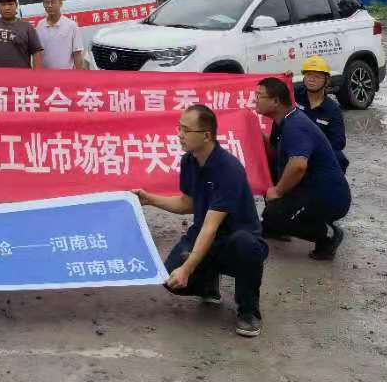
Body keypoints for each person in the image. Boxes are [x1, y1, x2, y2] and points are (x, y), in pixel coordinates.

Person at [135, 103, 268, 338]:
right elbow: (187, 203)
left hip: (235, 238)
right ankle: (208, 282)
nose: (180, 134)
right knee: (170, 278)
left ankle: (249, 310)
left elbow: (210, 226)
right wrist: (150, 200)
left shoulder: (228, 169)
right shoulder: (189, 161)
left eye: (186, 130)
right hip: (206, 234)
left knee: (245, 246)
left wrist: (187, 269)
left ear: (206, 135)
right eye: (179, 128)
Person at [256, 76, 352, 261]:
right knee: (271, 217)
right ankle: (278, 225)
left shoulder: (295, 125)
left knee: (275, 215)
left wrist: (278, 191)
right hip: (309, 188)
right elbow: (275, 154)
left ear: (275, 101)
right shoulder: (284, 121)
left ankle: (327, 234)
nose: (255, 100)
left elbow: (298, 165)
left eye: (259, 96)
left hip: (328, 196)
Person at [296, 55, 348, 171]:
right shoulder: (294, 95)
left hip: (317, 153)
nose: (311, 79)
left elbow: (338, 142)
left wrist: (315, 148)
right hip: (294, 147)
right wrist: (285, 78)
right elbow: (276, 94)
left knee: (340, 159)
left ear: (327, 80)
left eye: (317, 76)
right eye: (308, 75)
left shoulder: (332, 110)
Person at [32, 0, 87, 70]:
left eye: (53, 2)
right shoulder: (40, 25)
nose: (49, 5)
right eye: (46, 2)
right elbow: (37, 53)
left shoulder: (71, 25)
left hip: (65, 74)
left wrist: (80, 74)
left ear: (60, 3)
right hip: (46, 74)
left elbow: (77, 54)